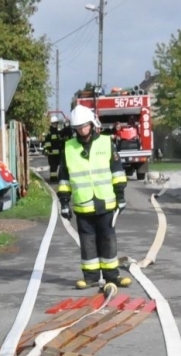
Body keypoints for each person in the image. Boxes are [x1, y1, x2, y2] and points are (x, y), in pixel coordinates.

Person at [57, 103, 130, 288]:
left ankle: (112, 277)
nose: (82, 130)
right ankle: (90, 278)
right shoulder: (68, 148)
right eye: (78, 127)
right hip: (83, 204)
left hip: (106, 203)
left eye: (84, 126)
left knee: (108, 239)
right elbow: (64, 179)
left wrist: (120, 197)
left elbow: (117, 172)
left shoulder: (106, 143)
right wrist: (64, 203)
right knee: (87, 242)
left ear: (92, 123)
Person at [43, 110, 70, 181]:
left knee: (60, 167)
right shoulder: (49, 133)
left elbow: (66, 132)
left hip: (59, 154)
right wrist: (49, 150)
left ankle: (58, 178)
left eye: (56, 123)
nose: (55, 125)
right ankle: (53, 179)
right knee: (53, 167)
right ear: (51, 124)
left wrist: (66, 124)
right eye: (54, 123)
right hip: (52, 155)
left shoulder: (58, 132)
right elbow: (47, 143)